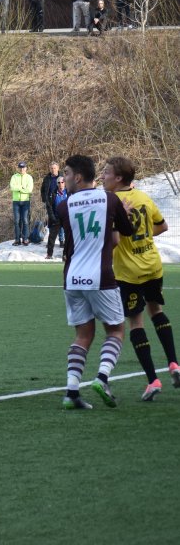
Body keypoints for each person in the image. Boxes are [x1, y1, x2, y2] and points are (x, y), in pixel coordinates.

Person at [57, 154, 134, 409]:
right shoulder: (110, 200)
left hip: (72, 279)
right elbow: (122, 236)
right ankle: (102, 377)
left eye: (66, 173)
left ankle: (71, 392)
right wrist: (121, 214)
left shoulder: (63, 206)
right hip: (100, 277)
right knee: (116, 330)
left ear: (78, 177)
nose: (63, 177)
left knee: (82, 336)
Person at [100, 156, 180, 400]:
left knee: (136, 323)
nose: (102, 176)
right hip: (153, 265)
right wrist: (141, 234)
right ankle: (174, 364)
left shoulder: (112, 202)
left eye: (106, 173)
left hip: (129, 272)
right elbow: (163, 226)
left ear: (119, 178)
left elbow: (109, 239)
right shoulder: (144, 197)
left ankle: (152, 381)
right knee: (156, 311)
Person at [10, 161, 34, 245]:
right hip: (16, 201)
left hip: (25, 201)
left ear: (26, 168)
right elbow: (12, 187)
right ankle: (17, 239)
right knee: (16, 221)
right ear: (18, 168)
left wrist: (19, 188)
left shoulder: (29, 177)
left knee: (25, 220)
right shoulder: (14, 177)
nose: (22, 169)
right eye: (20, 167)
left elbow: (29, 190)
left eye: (23, 167)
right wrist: (22, 188)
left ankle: (25, 238)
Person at [45, 175, 68, 259]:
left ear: (65, 183)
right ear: (57, 184)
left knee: (68, 237)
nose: (61, 184)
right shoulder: (53, 193)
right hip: (56, 218)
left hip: (66, 218)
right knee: (52, 237)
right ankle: (49, 254)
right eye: (59, 182)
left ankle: (65, 254)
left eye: (62, 182)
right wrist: (52, 217)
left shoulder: (69, 192)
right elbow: (49, 206)